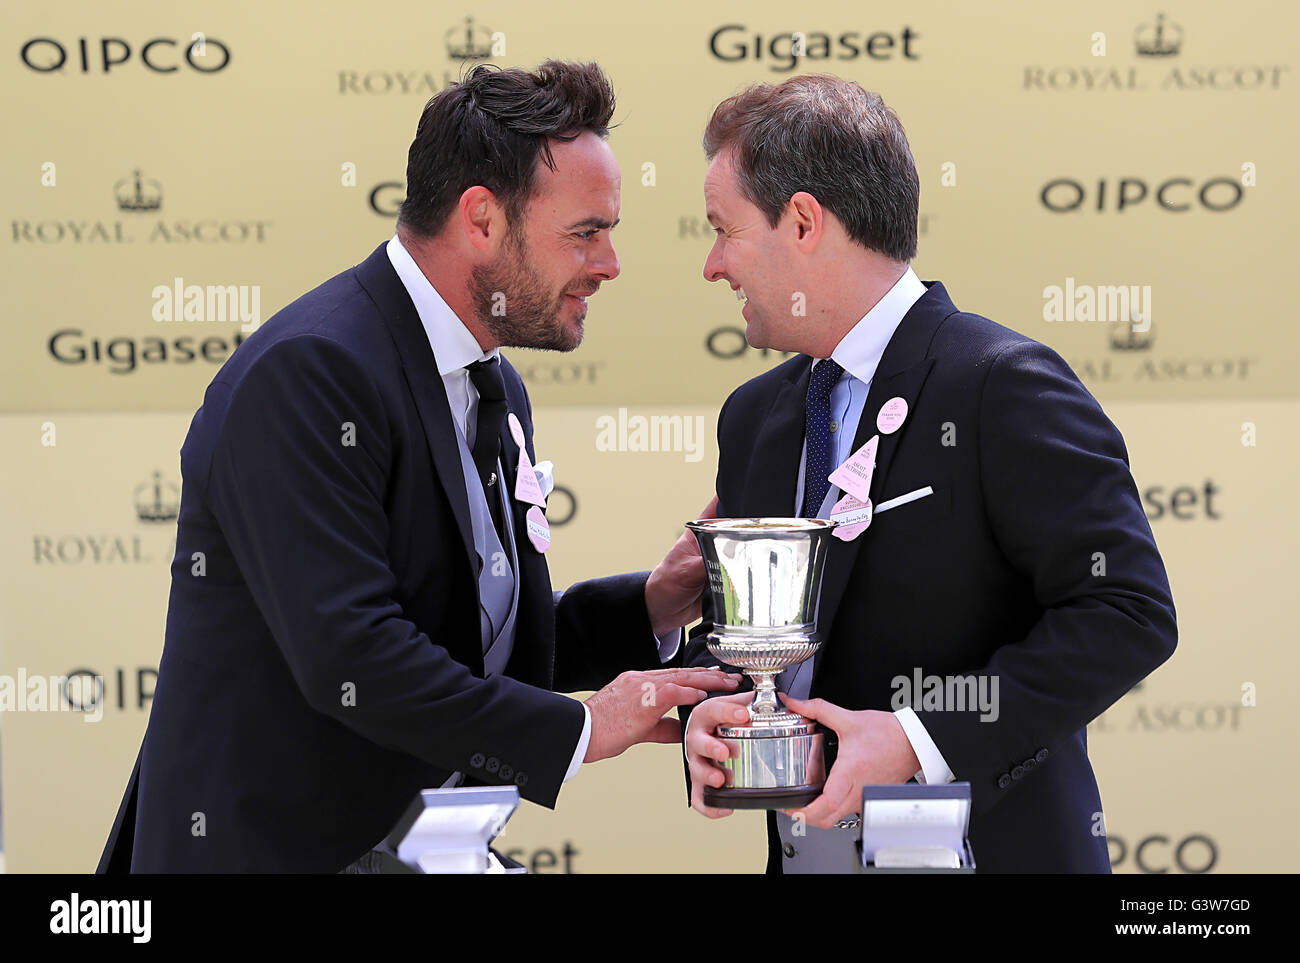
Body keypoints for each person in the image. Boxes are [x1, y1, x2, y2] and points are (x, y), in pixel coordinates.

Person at [96, 60, 733, 873]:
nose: (609, 264)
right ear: (481, 219)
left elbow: (462, 642)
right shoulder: (313, 371)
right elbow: (354, 655)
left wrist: (649, 603)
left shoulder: (487, 380)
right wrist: (583, 728)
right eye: (586, 232)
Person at [681, 75, 1177, 873]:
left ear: (803, 221)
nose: (712, 265)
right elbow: (756, 653)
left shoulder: (1003, 383)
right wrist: (706, 718)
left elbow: (1128, 611)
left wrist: (920, 740)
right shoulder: (753, 419)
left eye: (722, 229)